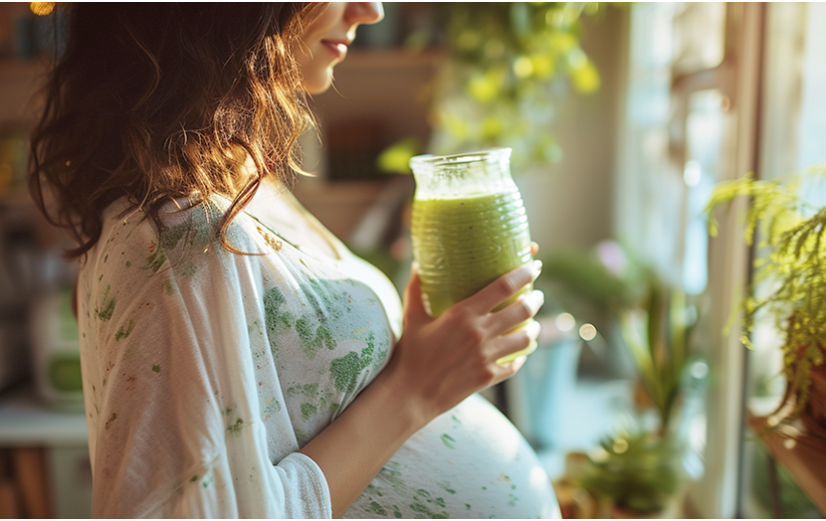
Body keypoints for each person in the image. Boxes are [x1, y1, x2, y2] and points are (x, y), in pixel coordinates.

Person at [29, 3, 560, 518]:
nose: (370, 10)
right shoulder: (175, 234)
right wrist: (416, 389)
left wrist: (426, 349)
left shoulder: (241, 186)